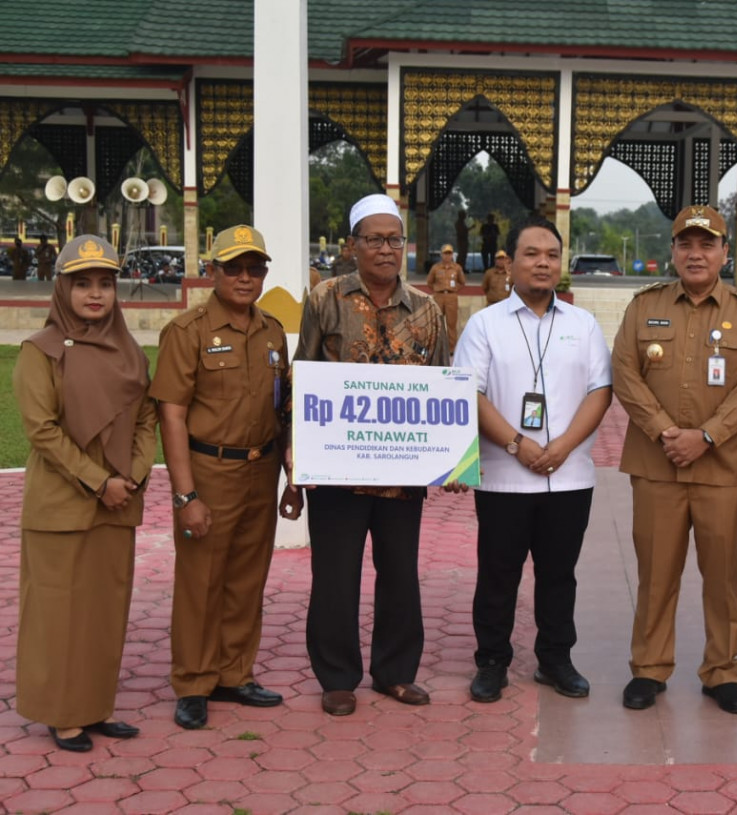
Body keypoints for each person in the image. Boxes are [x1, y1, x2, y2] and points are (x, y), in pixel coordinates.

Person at [281, 193, 449, 717]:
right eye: (373, 239)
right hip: (337, 471)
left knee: (400, 571)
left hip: (403, 473)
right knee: (336, 574)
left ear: (405, 245)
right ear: (352, 245)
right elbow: (300, 377)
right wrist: (295, 456)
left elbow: (444, 390)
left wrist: (456, 461)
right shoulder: (325, 299)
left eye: (393, 239)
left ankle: (395, 673)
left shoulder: (427, 310)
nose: (384, 249)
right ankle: (336, 677)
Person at [612, 205, 737, 714]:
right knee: (656, 572)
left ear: (725, 253)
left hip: (724, 470)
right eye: (686, 244)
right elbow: (625, 373)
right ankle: (650, 668)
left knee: (722, 576)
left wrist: (705, 436)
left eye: (707, 244)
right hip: (658, 464)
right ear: (673, 251)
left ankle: (721, 670)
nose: (696, 253)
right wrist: (666, 432)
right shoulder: (644, 306)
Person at [453, 216, 612, 703]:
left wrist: (562, 447)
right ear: (509, 263)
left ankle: (555, 659)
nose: (543, 263)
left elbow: (600, 391)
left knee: (558, 575)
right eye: (531, 254)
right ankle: (492, 662)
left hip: (569, 478)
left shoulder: (583, 325)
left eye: (551, 255)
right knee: (498, 573)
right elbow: (469, 393)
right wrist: (517, 444)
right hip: (503, 477)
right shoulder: (484, 325)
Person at [14, 235, 156, 751]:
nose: (95, 295)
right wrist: (100, 481)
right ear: (62, 289)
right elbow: (42, 431)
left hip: (117, 502)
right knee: (57, 615)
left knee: (104, 611)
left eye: (104, 284)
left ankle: (96, 708)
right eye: (82, 284)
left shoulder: (129, 352)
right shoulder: (41, 351)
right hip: (63, 505)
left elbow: (145, 417)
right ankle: (61, 713)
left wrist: (135, 475)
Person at [150, 225, 288, 730]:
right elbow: (171, 415)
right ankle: (193, 681)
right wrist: (186, 494)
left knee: (247, 580)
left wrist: (291, 472)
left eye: (255, 268)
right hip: (208, 471)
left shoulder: (272, 330)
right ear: (213, 271)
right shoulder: (186, 332)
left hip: (261, 468)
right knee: (200, 581)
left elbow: (283, 406)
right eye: (234, 268)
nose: (246, 278)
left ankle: (234, 674)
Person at [426, 243, 465, 352]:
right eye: (445, 253)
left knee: (451, 324)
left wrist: (454, 289)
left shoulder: (457, 268)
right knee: (436, 323)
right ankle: (436, 347)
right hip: (438, 296)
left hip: (451, 297)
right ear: (441, 255)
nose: (447, 256)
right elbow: (429, 282)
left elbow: (462, 282)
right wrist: (437, 289)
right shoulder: (436, 268)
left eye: (449, 253)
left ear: (452, 255)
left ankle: (452, 348)